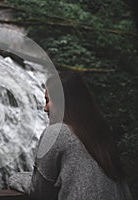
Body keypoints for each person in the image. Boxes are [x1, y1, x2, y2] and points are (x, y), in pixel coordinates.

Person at [9, 72, 133, 200]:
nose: (45, 108)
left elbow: (40, 191)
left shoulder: (57, 133)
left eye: (47, 100)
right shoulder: (99, 132)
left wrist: (16, 179)